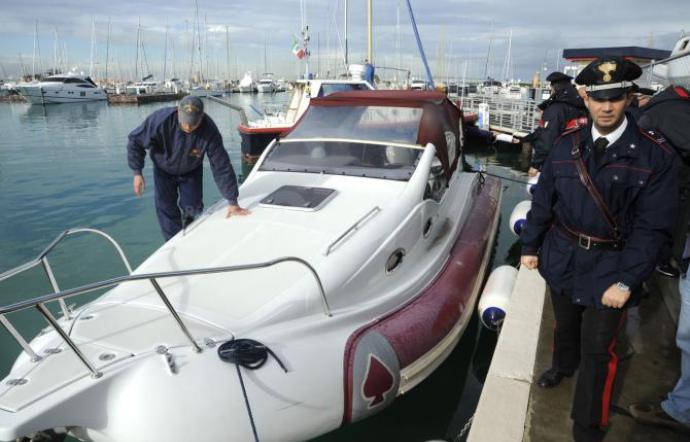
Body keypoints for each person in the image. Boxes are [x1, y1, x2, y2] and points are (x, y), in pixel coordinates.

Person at [520, 56, 679, 441]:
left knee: (599, 349)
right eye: (598, 97)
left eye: (616, 97)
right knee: (565, 324)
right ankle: (561, 365)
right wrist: (531, 245)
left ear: (629, 98)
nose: (606, 107)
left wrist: (626, 281)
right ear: (585, 98)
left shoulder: (655, 155)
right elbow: (545, 200)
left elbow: (652, 228)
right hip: (563, 253)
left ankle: (587, 424)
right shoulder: (564, 144)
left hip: (612, 264)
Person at [127, 96, 249, 241]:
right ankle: (173, 241)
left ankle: (191, 238)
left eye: (193, 124)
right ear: (178, 112)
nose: (188, 128)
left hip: (191, 171)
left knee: (193, 207)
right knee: (166, 210)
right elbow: (135, 141)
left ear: (201, 117)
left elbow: (221, 165)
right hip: (163, 171)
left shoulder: (209, 130)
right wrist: (137, 172)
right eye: (185, 123)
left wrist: (232, 201)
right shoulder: (160, 120)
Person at [524, 71, 588, 177]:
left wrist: (535, 165)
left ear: (556, 88)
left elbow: (547, 138)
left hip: (555, 163)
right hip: (576, 161)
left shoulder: (556, 109)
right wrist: (523, 139)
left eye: (552, 87)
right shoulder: (580, 106)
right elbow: (543, 131)